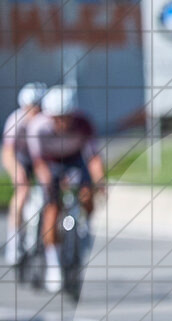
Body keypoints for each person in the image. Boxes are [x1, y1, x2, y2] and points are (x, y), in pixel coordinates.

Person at [25, 85, 105, 293]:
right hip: (50, 164)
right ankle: (54, 265)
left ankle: (84, 225)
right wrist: (51, 182)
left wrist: (100, 180)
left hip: (75, 160)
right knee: (52, 208)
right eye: (56, 118)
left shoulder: (83, 124)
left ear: (72, 114)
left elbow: (93, 156)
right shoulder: (38, 128)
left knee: (88, 193)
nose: (61, 123)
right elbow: (39, 164)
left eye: (65, 117)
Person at [2, 82, 46, 264]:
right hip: (21, 158)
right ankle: (14, 243)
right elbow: (7, 153)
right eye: (30, 108)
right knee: (22, 190)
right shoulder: (16, 120)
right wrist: (17, 172)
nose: (34, 113)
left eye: (38, 108)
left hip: (42, 158)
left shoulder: (47, 121)